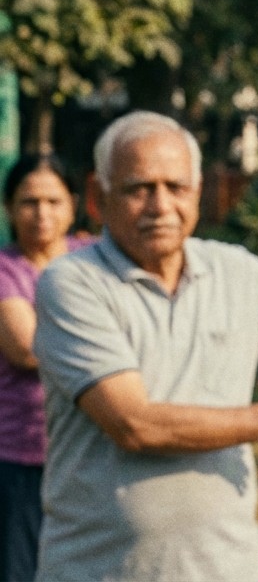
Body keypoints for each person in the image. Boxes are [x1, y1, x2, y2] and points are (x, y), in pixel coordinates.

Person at [31, 111, 258, 581]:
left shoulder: (242, 275)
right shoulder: (72, 283)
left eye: (176, 187)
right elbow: (134, 424)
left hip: (227, 567)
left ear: (198, 190)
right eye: (138, 188)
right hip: (97, 570)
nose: (160, 205)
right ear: (97, 197)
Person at [0, 155, 93, 582]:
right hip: (23, 455)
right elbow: (25, 349)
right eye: (28, 202)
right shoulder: (6, 272)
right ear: (9, 208)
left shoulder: (93, 258)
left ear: (72, 205)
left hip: (90, 449)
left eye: (53, 201)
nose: (42, 214)